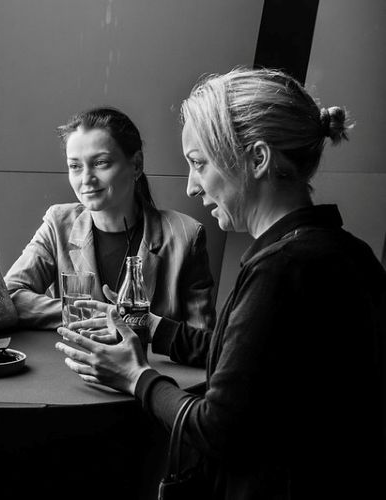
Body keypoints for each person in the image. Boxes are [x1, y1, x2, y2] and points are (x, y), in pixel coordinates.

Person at [56, 68, 386, 498]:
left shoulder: (282, 269)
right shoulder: (344, 252)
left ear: (259, 159)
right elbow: (245, 359)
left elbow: (217, 431)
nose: (191, 187)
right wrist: (151, 326)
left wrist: (135, 377)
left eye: (199, 163)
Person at [4, 106, 216, 331]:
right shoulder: (58, 223)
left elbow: (202, 340)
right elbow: (10, 296)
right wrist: (95, 314)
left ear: (136, 164)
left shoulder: (186, 235)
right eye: (75, 166)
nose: (86, 179)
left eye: (100, 163)